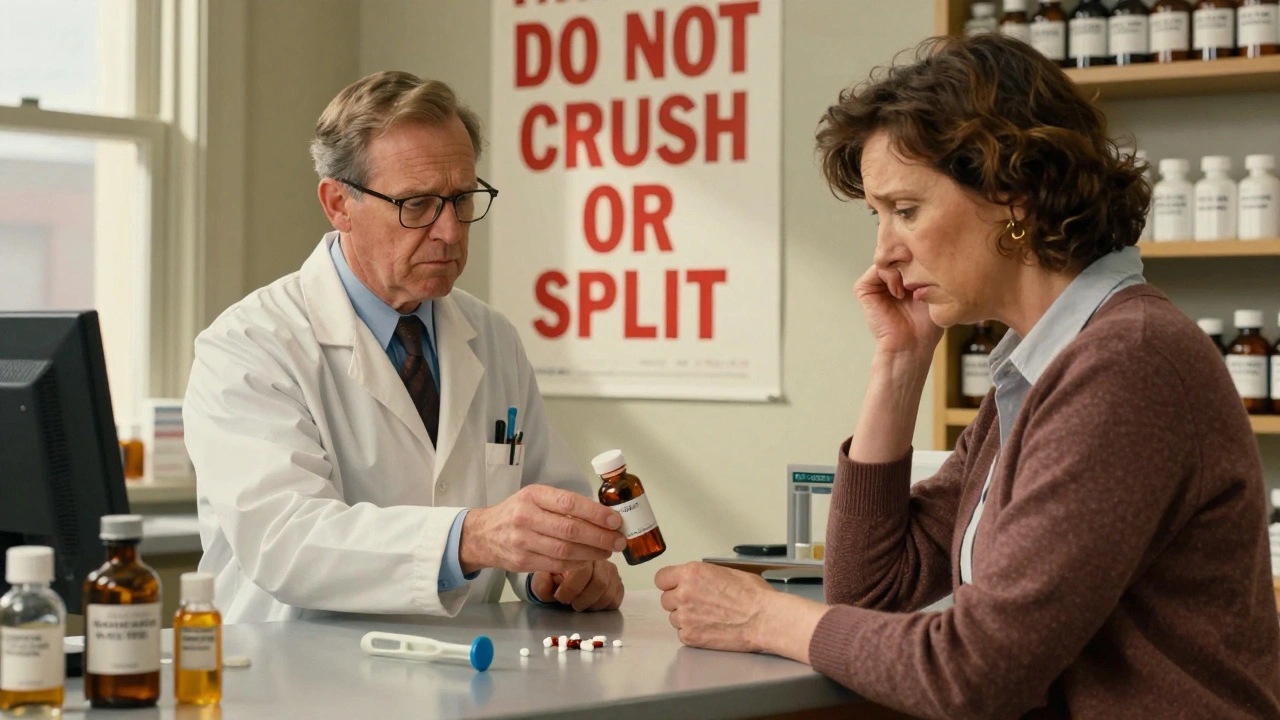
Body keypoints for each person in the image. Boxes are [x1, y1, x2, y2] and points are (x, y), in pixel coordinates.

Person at [655, 34, 1280, 719]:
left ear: (1012, 193)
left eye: (906, 210)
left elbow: (976, 672)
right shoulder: (1042, 368)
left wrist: (764, 618)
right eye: (877, 216)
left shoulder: (1127, 364)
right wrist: (899, 363)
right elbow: (869, 592)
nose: (883, 254)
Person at [184, 71, 626, 624]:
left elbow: (539, 499)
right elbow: (287, 543)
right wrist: (473, 537)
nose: (450, 231)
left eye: (461, 199)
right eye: (417, 204)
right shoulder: (249, 346)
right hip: (296, 665)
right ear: (338, 204)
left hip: (467, 665)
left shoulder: (492, 337)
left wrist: (557, 571)